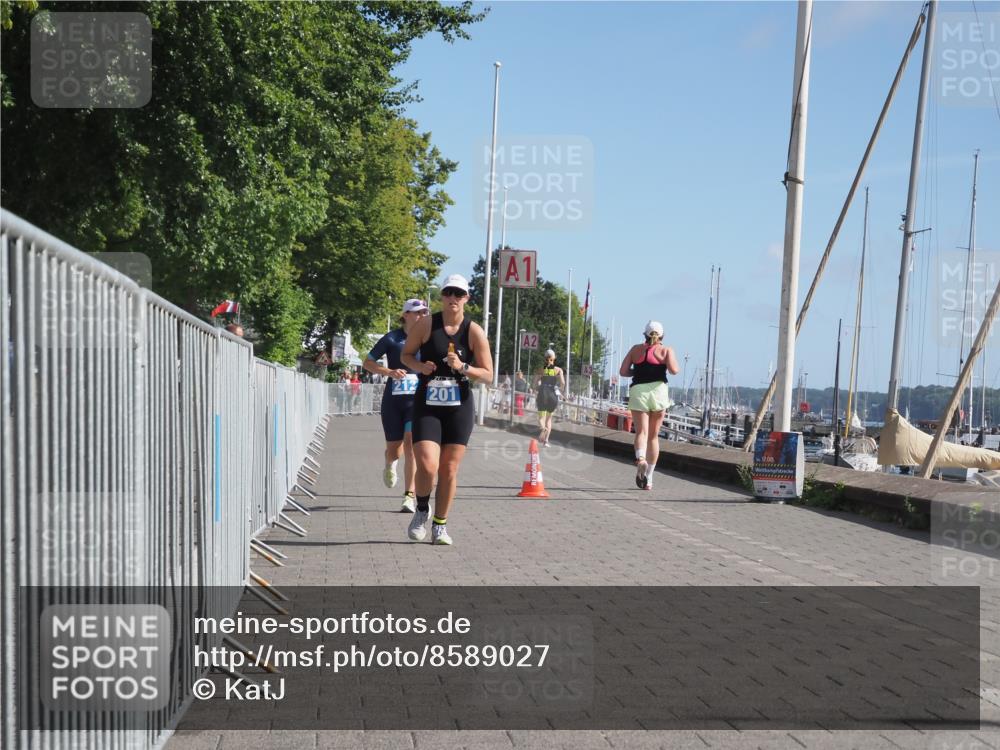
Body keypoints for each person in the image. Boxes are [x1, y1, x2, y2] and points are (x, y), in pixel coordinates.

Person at [400, 274, 493, 545]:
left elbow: (488, 375)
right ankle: (421, 510)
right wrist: (420, 367)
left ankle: (440, 525)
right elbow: (406, 355)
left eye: (458, 294)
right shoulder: (427, 324)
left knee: (449, 469)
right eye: (448, 293)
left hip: (458, 406)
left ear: (466, 298)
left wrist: (463, 367)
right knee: (428, 465)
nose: (453, 298)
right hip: (428, 404)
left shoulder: (473, 331)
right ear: (442, 296)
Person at [363, 298, 429, 512]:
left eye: (424, 312)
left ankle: (409, 496)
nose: (422, 316)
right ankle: (389, 462)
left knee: (411, 443)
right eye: (417, 312)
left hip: (416, 401)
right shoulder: (392, 338)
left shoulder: (427, 339)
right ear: (406, 315)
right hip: (393, 401)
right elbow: (367, 362)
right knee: (395, 450)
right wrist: (389, 372)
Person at [619, 320, 679, 490]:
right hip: (658, 391)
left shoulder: (635, 350)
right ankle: (649, 477)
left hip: (639, 391)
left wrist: (638, 371)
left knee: (641, 432)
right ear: (662, 336)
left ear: (644, 334)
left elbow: (623, 371)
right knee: (653, 436)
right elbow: (674, 370)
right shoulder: (666, 350)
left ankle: (641, 459)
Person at [534, 349, 565, 447]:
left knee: (541, 418)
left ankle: (543, 429)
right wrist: (560, 389)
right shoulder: (558, 370)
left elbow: (535, 383)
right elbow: (563, 383)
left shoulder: (541, 369)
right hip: (552, 394)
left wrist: (537, 388)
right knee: (549, 419)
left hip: (543, 393)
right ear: (554, 358)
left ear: (545, 358)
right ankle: (546, 441)